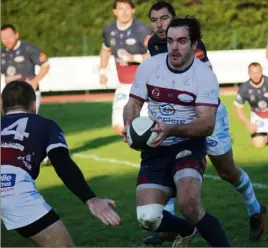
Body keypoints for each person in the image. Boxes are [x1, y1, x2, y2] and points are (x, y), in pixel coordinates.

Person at [142, 2, 266, 245]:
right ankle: (169, 225)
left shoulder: (192, 43)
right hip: (175, 115)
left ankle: (255, 208)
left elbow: (203, 82)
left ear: (175, 21)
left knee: (226, 171)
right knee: (167, 160)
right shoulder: (154, 45)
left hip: (206, 114)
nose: (159, 25)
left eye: (165, 18)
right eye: (154, 20)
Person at [123, 16, 231, 247]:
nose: (174, 47)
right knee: (148, 218)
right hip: (156, 148)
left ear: (194, 45)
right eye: (171, 41)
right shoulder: (149, 67)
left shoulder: (204, 76)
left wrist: (171, 128)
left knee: (189, 206)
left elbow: (206, 124)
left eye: (182, 41)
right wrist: (129, 126)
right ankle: (185, 231)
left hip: (188, 145)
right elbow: (132, 104)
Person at [1, 81, 121, 247]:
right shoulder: (46, 125)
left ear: (2, 105)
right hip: (12, 187)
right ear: (33, 106)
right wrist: (90, 198)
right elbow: (62, 162)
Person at [99, 0, 151, 136]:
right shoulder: (109, 30)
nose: (124, 12)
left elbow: (153, 56)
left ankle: (151, 151)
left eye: (127, 8)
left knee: (145, 125)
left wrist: (133, 59)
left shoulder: (142, 30)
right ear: (114, 11)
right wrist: (102, 71)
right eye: (120, 8)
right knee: (119, 126)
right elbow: (105, 50)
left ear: (133, 10)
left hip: (143, 84)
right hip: (123, 85)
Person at [1, 24, 50, 113]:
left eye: (9, 37)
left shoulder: (28, 49)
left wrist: (35, 81)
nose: (7, 41)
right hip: (10, 95)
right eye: (3, 38)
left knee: (29, 121)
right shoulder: (2, 54)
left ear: (16, 35)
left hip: (28, 93)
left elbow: (45, 65)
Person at [234, 62, 268, 147]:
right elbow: (237, 108)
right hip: (257, 116)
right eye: (253, 72)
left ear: (262, 71)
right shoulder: (245, 88)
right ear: (248, 73)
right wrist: (248, 123)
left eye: (258, 72)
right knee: (258, 144)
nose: (256, 75)